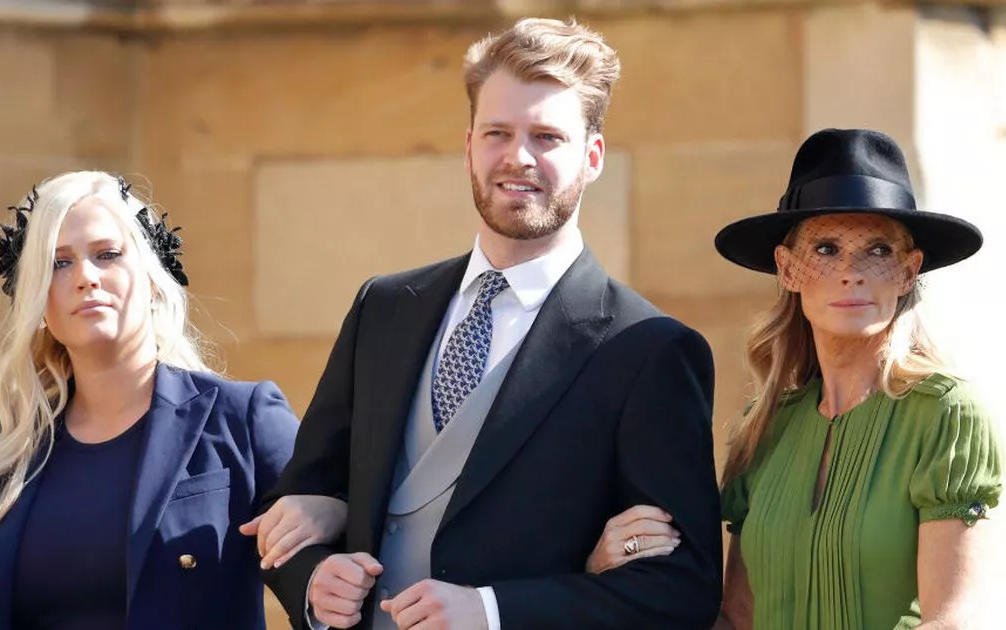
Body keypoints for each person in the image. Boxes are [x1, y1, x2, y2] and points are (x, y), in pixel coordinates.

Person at [252, 17, 723, 630]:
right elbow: (300, 501)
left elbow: (682, 591)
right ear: (469, 145)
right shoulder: (384, 307)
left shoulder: (648, 349)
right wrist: (313, 579)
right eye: (498, 132)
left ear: (592, 157)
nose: (517, 157)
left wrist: (493, 611)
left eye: (547, 137)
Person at [597, 128, 1004, 629]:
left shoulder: (946, 414)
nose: (852, 272)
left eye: (878, 250)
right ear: (787, 269)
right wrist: (611, 576)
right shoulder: (766, 426)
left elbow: (954, 620)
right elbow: (737, 618)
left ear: (908, 271)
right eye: (827, 249)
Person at [0, 171, 345, 630]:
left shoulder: (240, 418)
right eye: (59, 263)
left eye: (107, 254)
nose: (86, 277)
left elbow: (344, 535)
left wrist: (335, 511)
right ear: (38, 298)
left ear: (153, 278)